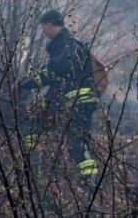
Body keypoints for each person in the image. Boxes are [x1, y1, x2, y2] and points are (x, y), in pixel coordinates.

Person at [21, 9, 99, 178]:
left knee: (77, 139)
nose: (43, 31)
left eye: (43, 27)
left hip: (77, 99)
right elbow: (59, 77)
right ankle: (36, 161)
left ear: (49, 25)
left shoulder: (64, 44)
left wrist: (27, 83)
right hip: (79, 99)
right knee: (44, 120)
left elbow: (54, 72)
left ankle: (90, 181)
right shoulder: (70, 44)